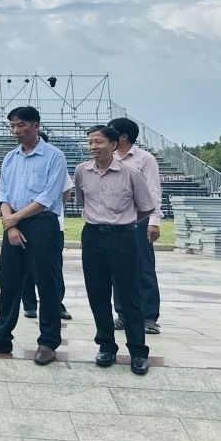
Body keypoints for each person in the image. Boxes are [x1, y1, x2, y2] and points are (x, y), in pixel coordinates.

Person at [0, 106, 69, 365]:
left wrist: (17, 218)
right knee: (10, 283)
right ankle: (2, 337)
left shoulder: (54, 156)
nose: (16, 130)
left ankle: (48, 341)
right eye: (12, 125)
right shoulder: (10, 158)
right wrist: (10, 224)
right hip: (13, 225)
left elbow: (49, 197)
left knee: (47, 284)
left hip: (42, 224)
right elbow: (3, 194)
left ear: (36, 125)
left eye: (21, 125)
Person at [75, 125, 156, 376]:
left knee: (130, 295)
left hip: (123, 237)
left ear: (113, 145)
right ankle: (106, 346)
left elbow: (145, 208)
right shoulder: (81, 171)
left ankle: (138, 351)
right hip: (93, 237)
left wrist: (125, 223)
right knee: (97, 294)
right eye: (90, 142)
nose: (93, 147)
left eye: (98, 142)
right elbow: (81, 201)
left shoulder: (131, 173)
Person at [107, 117, 164, 334]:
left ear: (123, 136)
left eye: (111, 131)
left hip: (138, 220)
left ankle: (149, 317)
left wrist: (154, 221)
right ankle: (122, 313)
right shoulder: (108, 157)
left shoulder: (144, 159)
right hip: (114, 220)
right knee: (117, 267)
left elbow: (153, 191)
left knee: (144, 267)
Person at [20, 131, 73, 322]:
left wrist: (54, 208)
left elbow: (66, 191)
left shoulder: (55, 159)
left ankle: (56, 304)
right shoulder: (16, 159)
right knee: (25, 267)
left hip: (49, 222)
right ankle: (29, 304)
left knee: (52, 269)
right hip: (22, 222)